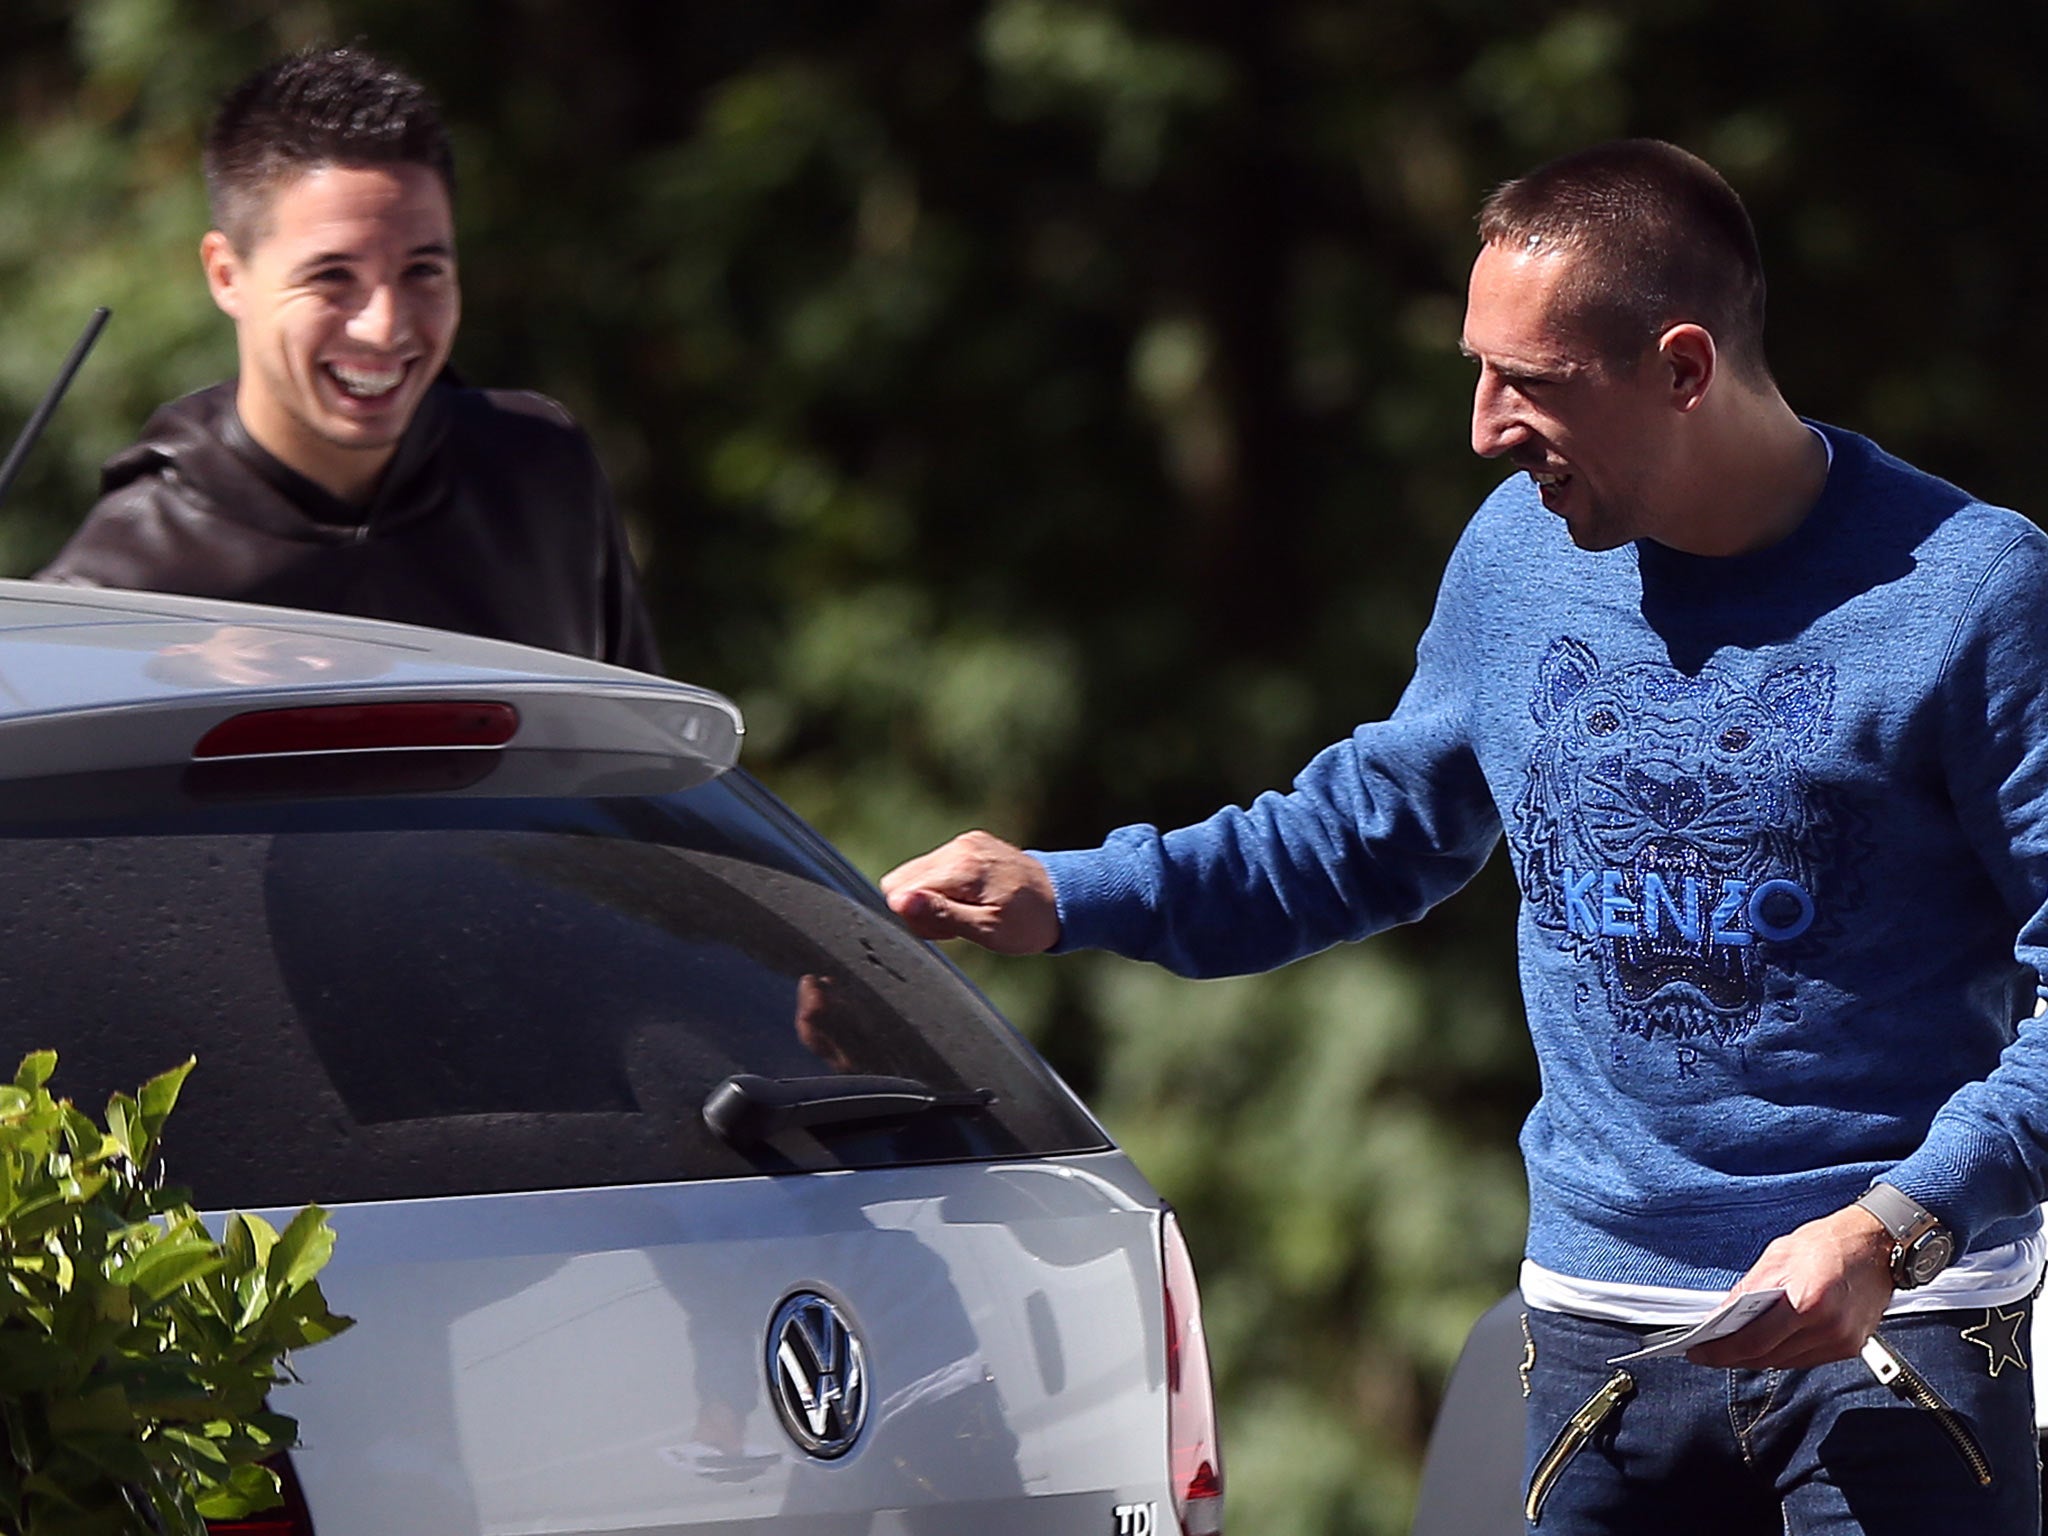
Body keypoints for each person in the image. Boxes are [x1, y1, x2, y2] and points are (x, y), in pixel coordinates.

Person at [880, 139, 2048, 1533]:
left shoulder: (1975, 592)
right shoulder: (1516, 554)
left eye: (1532, 384)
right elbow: (1367, 834)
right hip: (1601, 1346)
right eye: (1477, 372)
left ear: (1683, 369)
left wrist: (1898, 1224)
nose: (1487, 426)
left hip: (1893, 1343)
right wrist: (1069, 892)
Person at [38, 46, 661, 673]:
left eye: (422, 271)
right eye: (333, 276)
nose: (385, 326)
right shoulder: (117, 597)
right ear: (227, 275)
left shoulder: (540, 470)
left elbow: (652, 759)